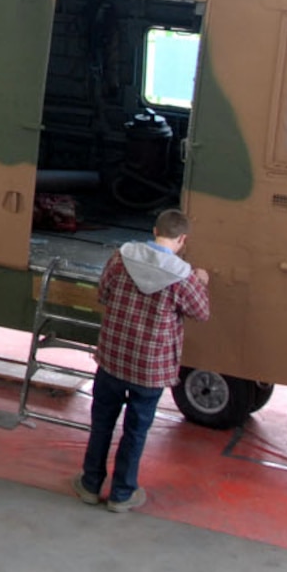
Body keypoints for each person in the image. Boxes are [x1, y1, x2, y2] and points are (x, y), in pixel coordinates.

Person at [75, 207, 210, 513]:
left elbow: (103, 293)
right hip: (150, 368)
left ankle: (89, 485)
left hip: (112, 359)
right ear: (183, 239)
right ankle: (122, 494)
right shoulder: (183, 276)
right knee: (135, 431)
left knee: (101, 424)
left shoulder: (121, 257)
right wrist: (201, 281)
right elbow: (201, 313)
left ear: (154, 231)